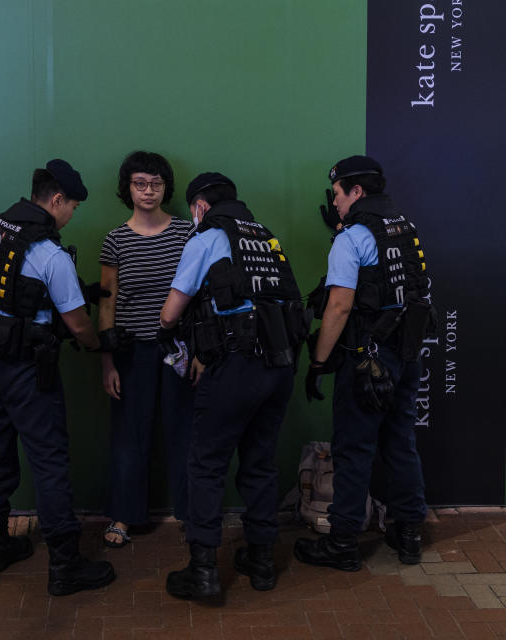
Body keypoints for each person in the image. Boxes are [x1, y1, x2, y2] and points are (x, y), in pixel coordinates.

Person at [0, 159, 118, 596]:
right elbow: (79, 326)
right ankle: (64, 567)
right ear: (56, 200)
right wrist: (99, 346)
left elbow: (11, 291)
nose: (72, 216)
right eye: (73, 207)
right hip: (27, 369)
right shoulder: (50, 253)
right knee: (50, 460)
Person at [158, 172, 304, 599]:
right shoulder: (268, 238)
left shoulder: (205, 238)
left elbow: (170, 314)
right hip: (280, 368)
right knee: (259, 464)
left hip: (233, 371)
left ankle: (202, 572)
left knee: (205, 466)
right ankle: (261, 562)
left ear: (200, 206)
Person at [295, 155, 430, 571]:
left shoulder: (352, 237)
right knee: (400, 443)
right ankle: (408, 534)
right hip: (406, 355)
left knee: (353, 450)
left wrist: (318, 363)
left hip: (365, 360)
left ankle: (343, 543)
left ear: (356, 192)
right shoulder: (405, 227)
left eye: (336, 194)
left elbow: (338, 306)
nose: (333, 202)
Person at [98, 151, 194, 548]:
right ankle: (124, 516)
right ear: (128, 188)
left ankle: (191, 513)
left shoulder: (187, 233)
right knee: (129, 436)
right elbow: (106, 302)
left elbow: (200, 295)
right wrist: (106, 363)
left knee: (184, 433)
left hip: (179, 349)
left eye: (155, 184)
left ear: (165, 188)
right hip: (131, 350)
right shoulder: (115, 240)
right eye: (140, 183)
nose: (148, 191)